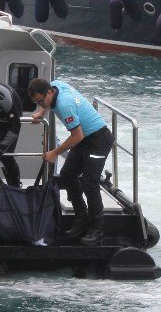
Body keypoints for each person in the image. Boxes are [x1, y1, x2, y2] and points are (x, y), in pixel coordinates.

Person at [28, 78, 113, 246]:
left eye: (41, 101)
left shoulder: (64, 105)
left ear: (50, 92)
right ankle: (81, 219)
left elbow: (77, 136)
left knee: (90, 183)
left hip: (98, 140)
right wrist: (41, 112)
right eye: (36, 102)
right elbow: (79, 136)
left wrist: (54, 153)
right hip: (84, 138)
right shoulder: (56, 84)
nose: (40, 104)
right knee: (67, 176)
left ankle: (97, 230)